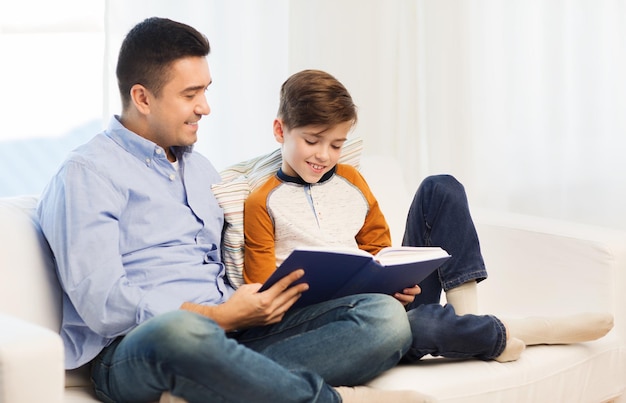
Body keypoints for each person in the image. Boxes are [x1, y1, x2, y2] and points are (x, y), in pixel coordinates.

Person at [36, 17, 437, 403]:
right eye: (190, 95)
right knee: (179, 331)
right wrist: (218, 316)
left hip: (234, 334)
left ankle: (212, 388)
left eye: (206, 91)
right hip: (137, 349)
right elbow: (103, 305)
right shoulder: (87, 174)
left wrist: (250, 307)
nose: (205, 107)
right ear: (142, 97)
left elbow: (224, 263)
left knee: (382, 317)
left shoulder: (200, 169)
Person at [242, 69, 614, 363]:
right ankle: (518, 331)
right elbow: (262, 293)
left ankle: (468, 322)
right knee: (414, 326)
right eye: (312, 141)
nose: (323, 155)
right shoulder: (262, 202)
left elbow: (378, 249)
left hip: (387, 302)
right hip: (348, 324)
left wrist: (395, 280)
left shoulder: (352, 181)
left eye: (336, 144)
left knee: (441, 186)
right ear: (280, 130)